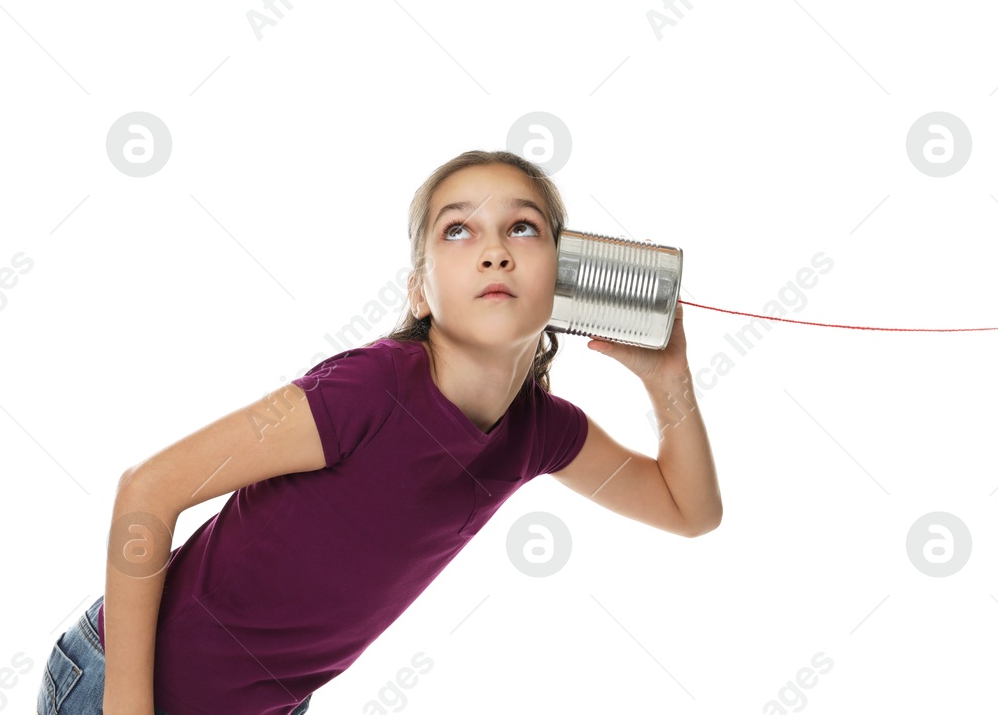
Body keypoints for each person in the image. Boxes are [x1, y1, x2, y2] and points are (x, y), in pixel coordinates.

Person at [37, 150, 721, 714]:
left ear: (565, 284)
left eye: (523, 229)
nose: (493, 252)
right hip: (120, 687)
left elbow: (690, 510)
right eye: (458, 230)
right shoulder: (373, 388)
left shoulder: (539, 433)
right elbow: (148, 489)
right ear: (421, 293)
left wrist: (668, 379)